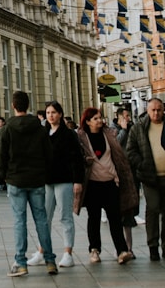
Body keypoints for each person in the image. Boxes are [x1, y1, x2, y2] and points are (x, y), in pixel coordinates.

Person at [0, 90, 57, 276]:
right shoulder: (39, 128)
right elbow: (48, 154)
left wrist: (4, 175)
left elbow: (0, 156)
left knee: (19, 221)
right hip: (37, 179)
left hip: (15, 179)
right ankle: (50, 261)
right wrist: (44, 173)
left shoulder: (7, 129)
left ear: (13, 106)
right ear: (28, 106)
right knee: (42, 220)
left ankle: (21, 262)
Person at [75, 107, 135, 264]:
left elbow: (118, 156)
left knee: (115, 218)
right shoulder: (81, 138)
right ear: (87, 121)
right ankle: (94, 250)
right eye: (95, 118)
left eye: (100, 117)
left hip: (110, 183)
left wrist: (119, 176)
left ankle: (122, 250)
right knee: (93, 218)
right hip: (93, 184)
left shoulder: (109, 134)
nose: (99, 121)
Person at [26, 101, 83, 268]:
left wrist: (77, 180)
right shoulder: (43, 133)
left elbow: (76, 159)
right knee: (44, 217)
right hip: (46, 180)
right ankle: (42, 251)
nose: (51, 115)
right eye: (48, 112)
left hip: (64, 179)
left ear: (60, 114)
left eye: (54, 112)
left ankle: (68, 253)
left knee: (65, 216)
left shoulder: (68, 134)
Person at [125, 96, 165, 261]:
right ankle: (153, 246)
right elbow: (130, 151)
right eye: (153, 110)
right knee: (153, 208)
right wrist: (141, 164)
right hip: (149, 176)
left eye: (159, 110)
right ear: (147, 111)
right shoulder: (139, 128)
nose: (156, 113)